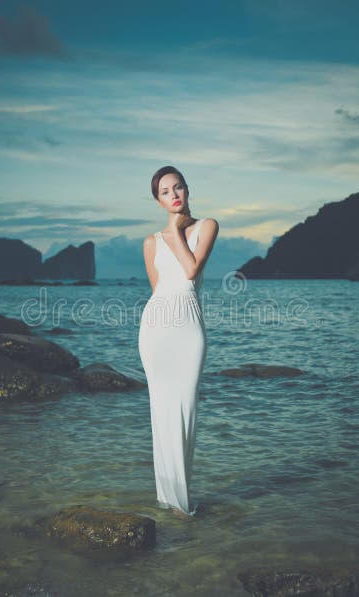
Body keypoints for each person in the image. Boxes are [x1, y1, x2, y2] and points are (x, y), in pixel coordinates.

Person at [138, 165, 219, 520]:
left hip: (189, 329)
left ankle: (182, 502)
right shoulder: (149, 242)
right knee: (161, 414)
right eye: (165, 192)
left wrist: (174, 232)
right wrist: (167, 234)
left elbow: (190, 273)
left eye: (178, 188)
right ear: (158, 200)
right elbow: (159, 291)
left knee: (185, 412)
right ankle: (169, 501)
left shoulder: (207, 226)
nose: (174, 195)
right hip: (156, 329)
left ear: (188, 190)